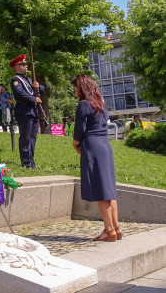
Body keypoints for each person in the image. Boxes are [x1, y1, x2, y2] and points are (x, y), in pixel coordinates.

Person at [71, 74, 121, 242]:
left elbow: (80, 127)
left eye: (75, 89)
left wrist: (75, 142)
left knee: (101, 190)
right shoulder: (101, 104)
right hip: (106, 146)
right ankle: (116, 227)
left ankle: (108, 230)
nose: (75, 92)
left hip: (92, 146)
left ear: (81, 88)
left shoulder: (84, 104)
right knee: (109, 190)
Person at [9, 54, 44, 169]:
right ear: (16, 66)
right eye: (23, 64)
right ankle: (25, 162)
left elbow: (41, 89)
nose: (26, 66)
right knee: (25, 138)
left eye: (25, 64)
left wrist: (38, 86)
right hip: (24, 111)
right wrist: (34, 99)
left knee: (33, 138)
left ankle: (31, 162)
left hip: (33, 112)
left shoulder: (28, 80)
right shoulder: (16, 80)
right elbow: (20, 94)